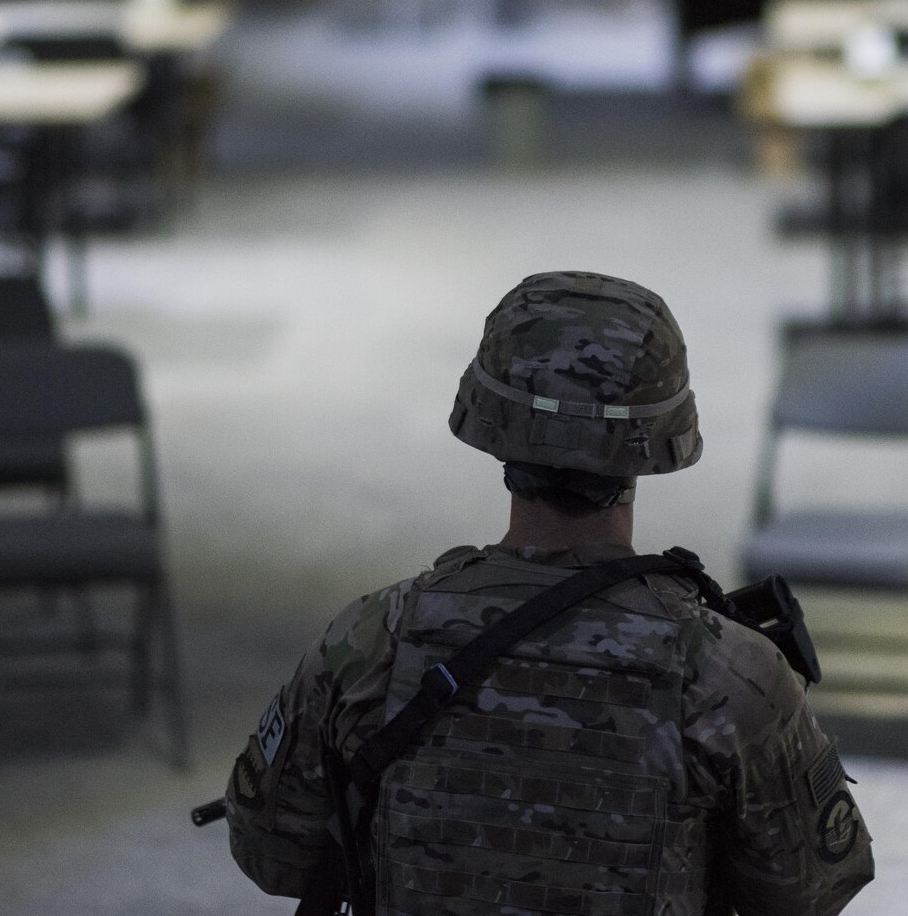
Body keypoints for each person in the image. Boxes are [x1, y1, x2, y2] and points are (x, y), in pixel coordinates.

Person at [223, 270, 874, 915]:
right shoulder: (730, 676)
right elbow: (811, 891)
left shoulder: (371, 642)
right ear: (662, 437)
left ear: (490, 419)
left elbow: (270, 852)